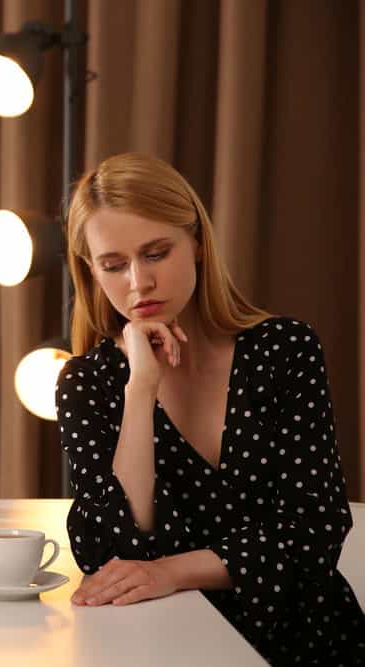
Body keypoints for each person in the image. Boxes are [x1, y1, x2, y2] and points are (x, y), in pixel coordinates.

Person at [56, 152, 364, 665]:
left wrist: (170, 571)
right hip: (163, 645)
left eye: (156, 253)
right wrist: (140, 391)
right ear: (91, 270)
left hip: (310, 640)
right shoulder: (88, 383)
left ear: (196, 243)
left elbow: (316, 528)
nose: (138, 283)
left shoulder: (283, 349)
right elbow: (107, 551)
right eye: (114, 265)